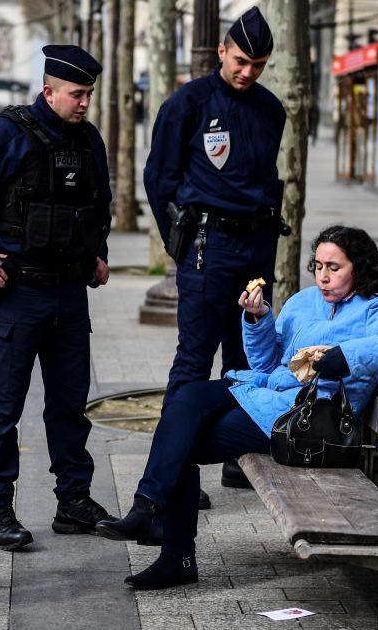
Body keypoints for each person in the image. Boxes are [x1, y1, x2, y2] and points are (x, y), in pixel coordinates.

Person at [96, 225, 378, 589]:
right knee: (184, 401)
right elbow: (266, 362)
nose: (323, 276)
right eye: (318, 265)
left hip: (307, 422)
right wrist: (258, 319)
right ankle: (149, 512)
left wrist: (347, 356)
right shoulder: (304, 301)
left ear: (360, 268)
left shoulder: (375, 309)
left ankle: (168, 544)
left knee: (181, 439)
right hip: (269, 396)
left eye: (334, 268)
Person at [0, 44, 114, 552]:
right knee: (4, 406)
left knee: (69, 405)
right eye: (75, 94)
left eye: (88, 95)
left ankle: (73, 501)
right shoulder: (7, 133)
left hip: (70, 293)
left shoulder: (88, 139)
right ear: (48, 90)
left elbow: (99, 203)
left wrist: (98, 251)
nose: (83, 104)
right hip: (19, 291)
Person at [144, 7, 288, 498]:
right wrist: (178, 245)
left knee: (245, 359)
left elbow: (267, 179)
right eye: (241, 60)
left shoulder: (272, 110)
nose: (247, 72)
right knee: (194, 360)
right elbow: (157, 178)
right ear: (223, 50)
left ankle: (234, 458)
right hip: (208, 248)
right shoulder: (188, 102)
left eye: (259, 64)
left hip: (256, 248)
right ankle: (176, 473)